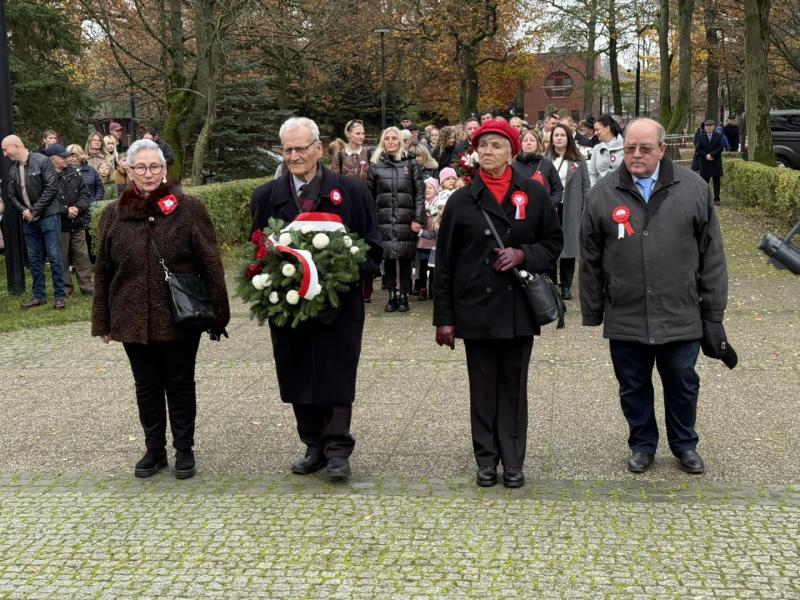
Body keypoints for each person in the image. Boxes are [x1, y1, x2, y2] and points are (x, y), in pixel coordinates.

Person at [580, 118, 729, 475]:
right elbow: (589, 256)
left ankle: (684, 444)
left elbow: (712, 255)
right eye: (630, 148)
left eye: (645, 148)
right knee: (632, 385)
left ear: (663, 150)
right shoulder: (602, 193)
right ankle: (642, 444)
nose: (636, 155)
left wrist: (713, 311)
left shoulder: (693, 189)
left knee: (682, 381)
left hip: (679, 311)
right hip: (626, 311)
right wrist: (593, 309)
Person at [249, 117, 382, 481]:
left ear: (319, 149)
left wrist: (339, 273)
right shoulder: (266, 196)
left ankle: (338, 448)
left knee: (336, 371)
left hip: (339, 305)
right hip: (288, 304)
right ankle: (313, 444)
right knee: (296, 371)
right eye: (288, 150)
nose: (294, 156)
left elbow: (373, 246)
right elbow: (257, 249)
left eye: (301, 148)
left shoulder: (351, 192)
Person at [434, 119, 562, 488]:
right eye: (483, 146)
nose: (488, 152)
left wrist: (523, 254)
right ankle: (486, 459)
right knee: (483, 386)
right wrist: (444, 319)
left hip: (517, 308)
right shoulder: (461, 200)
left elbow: (554, 243)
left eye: (497, 146)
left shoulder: (533, 194)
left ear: (512, 151)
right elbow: (444, 264)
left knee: (513, 387)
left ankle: (513, 460)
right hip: (474, 309)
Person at [92, 139, 230, 480]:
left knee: (180, 383)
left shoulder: (189, 208)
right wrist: (102, 319)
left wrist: (218, 313)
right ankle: (154, 449)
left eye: (155, 167)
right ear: (129, 170)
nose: (148, 173)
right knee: (146, 386)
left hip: (179, 316)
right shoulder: (113, 214)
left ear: (165, 170)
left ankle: (184, 449)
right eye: (141, 167)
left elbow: (210, 263)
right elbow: (103, 270)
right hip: (130, 315)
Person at [2, 134, 66, 309]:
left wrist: (35, 210)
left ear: (16, 146)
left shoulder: (42, 161)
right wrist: (24, 211)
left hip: (48, 216)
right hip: (28, 220)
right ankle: (39, 295)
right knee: (33, 258)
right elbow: (11, 196)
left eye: (5, 149)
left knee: (54, 256)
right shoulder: (13, 169)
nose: (5, 154)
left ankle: (60, 295)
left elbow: (51, 187)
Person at [368, 126, 425, 313]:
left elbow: (419, 194)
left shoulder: (411, 163)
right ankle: (392, 294)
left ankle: (405, 295)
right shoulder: (375, 165)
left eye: (394, 138)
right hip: (384, 219)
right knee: (389, 258)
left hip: (406, 218)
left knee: (406, 257)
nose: (391, 141)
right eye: (387, 138)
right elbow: (369, 194)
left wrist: (418, 218)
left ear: (400, 141)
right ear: (383, 141)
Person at [545, 123, 590, 300]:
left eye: (562, 135)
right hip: (551, 207)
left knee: (569, 246)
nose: (559, 138)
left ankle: (566, 286)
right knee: (550, 244)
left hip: (571, 206)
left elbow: (586, 184)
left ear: (568, 138)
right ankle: (551, 283)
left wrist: (585, 207)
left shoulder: (578, 159)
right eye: (556, 135)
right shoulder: (546, 159)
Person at [46, 144, 92, 297]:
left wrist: (78, 208)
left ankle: (87, 287)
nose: (68, 158)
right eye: (63, 156)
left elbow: (85, 195)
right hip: (59, 225)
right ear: (53, 159)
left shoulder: (75, 173)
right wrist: (66, 211)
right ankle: (65, 289)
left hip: (77, 223)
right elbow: (46, 199)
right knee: (61, 259)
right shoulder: (46, 176)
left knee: (82, 257)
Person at [66, 144, 105, 264]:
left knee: (90, 236)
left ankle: (93, 262)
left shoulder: (91, 170)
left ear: (80, 155)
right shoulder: (64, 172)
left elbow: (100, 188)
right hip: (73, 210)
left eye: (74, 155)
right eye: (69, 155)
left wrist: (94, 200)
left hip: (89, 209)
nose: (72, 158)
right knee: (74, 239)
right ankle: (72, 263)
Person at [512, 128, 564, 208]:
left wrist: (550, 203)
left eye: (532, 140)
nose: (528, 143)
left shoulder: (546, 164)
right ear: (521, 145)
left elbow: (558, 189)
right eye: (525, 140)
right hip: (519, 212)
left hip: (544, 212)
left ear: (537, 144)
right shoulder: (513, 165)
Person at [415, 177, 439, 300]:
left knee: (434, 268)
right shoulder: (421, 204)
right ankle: (422, 288)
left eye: (430, 188)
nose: (427, 190)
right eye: (425, 188)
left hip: (434, 241)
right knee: (422, 266)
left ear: (436, 190)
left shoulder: (438, 203)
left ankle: (433, 288)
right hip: (423, 242)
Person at [694, 119, 724, 206]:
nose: (709, 128)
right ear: (705, 127)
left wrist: (711, 155)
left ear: (714, 127)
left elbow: (720, 147)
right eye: (707, 126)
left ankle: (716, 198)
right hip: (704, 161)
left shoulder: (718, 136)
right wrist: (706, 155)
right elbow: (698, 149)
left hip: (716, 161)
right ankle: (705, 198)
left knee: (716, 180)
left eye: (710, 126)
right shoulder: (700, 136)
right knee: (704, 181)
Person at [589, 114, 624, 186]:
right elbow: (592, 174)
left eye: (597, 129)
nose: (595, 133)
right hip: (601, 192)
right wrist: (593, 191)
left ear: (607, 128)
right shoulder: (597, 148)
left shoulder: (626, 146)